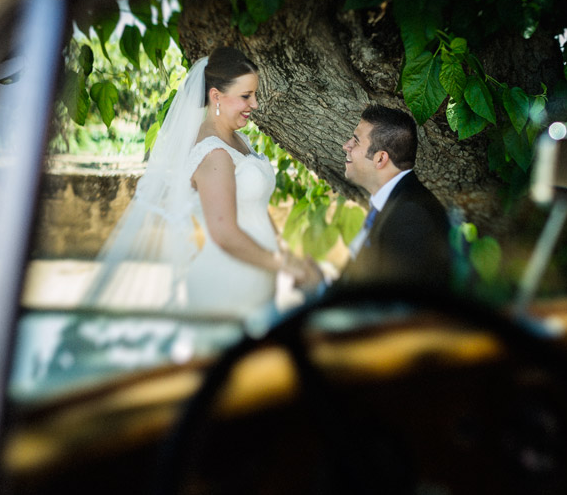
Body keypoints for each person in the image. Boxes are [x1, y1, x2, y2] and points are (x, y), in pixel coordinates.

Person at [83, 46, 312, 314]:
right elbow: (224, 233)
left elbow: (255, 207)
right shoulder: (214, 153)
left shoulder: (239, 140)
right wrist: (286, 265)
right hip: (228, 281)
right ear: (216, 96)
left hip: (257, 274)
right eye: (246, 96)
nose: (255, 104)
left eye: (254, 95)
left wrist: (286, 254)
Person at [336, 104, 453, 290]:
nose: (346, 146)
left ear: (380, 159)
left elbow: (392, 299)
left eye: (356, 141)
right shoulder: (390, 205)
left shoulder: (411, 216)